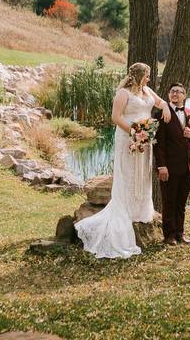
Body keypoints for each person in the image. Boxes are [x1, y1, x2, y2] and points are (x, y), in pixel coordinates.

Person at [75, 62, 171, 259]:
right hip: (128, 137)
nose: (149, 79)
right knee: (128, 172)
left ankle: (141, 210)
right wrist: (136, 132)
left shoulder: (147, 90)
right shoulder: (123, 93)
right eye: (147, 75)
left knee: (142, 172)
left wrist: (166, 108)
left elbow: (160, 103)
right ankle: (126, 209)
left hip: (144, 139)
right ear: (138, 75)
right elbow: (116, 117)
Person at [153, 82, 190, 245]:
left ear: (184, 95)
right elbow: (158, 144)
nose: (175, 94)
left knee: (181, 203)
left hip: (188, 166)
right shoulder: (160, 114)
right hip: (169, 167)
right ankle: (169, 236)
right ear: (168, 95)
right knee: (169, 202)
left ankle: (180, 234)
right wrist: (161, 166)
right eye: (172, 91)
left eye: (179, 92)